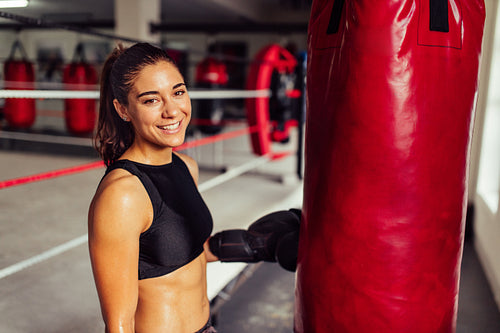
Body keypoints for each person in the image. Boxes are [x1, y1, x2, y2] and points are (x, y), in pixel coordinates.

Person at [88, 42, 300, 333]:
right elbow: (119, 324)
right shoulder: (123, 194)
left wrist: (255, 244)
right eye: (151, 100)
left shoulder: (186, 167)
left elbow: (180, 252)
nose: (172, 111)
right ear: (123, 109)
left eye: (178, 92)